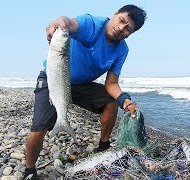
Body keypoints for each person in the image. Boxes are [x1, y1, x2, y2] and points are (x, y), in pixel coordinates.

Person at [24, 4, 146, 179]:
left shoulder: (122, 50)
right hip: (54, 80)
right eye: (121, 21)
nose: (121, 28)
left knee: (111, 101)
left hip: (82, 85)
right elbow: (68, 23)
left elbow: (111, 83)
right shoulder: (91, 24)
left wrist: (126, 101)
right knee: (40, 126)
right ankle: (29, 170)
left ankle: (103, 146)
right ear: (115, 14)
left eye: (128, 29)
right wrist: (58, 24)